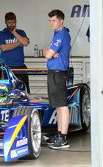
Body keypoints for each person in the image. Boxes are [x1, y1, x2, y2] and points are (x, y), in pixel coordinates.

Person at [44, 9, 71, 149]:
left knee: (62, 105)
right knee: (58, 106)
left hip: (58, 73)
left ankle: (64, 138)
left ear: (61, 21)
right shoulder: (56, 34)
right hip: (54, 73)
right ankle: (59, 134)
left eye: (54, 20)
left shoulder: (62, 34)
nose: (51, 23)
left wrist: (49, 51)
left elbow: (48, 54)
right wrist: (48, 50)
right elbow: (47, 51)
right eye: (50, 21)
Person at [0, 12, 30, 93]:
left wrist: (15, 33)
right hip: (7, 68)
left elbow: (26, 43)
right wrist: (19, 42)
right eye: (9, 22)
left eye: (13, 22)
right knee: (7, 92)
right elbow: (4, 47)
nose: (12, 24)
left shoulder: (21, 32)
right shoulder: (1, 33)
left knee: (24, 91)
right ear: (6, 22)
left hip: (20, 67)